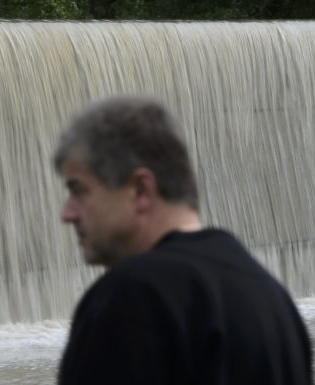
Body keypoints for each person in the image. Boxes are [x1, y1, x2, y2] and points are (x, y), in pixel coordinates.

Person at [54, 96, 312, 385]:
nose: (67, 213)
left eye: (79, 191)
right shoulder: (271, 297)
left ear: (140, 190)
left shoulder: (132, 298)